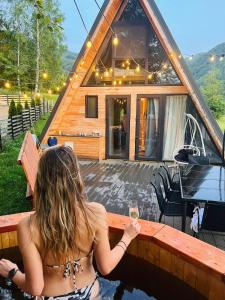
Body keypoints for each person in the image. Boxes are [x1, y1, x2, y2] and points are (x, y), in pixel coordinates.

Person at [0, 146, 141, 299]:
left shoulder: (28, 226)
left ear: (41, 181)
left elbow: (35, 288)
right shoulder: (96, 213)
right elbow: (105, 267)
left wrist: (12, 272)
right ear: (76, 177)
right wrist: (127, 237)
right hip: (90, 294)